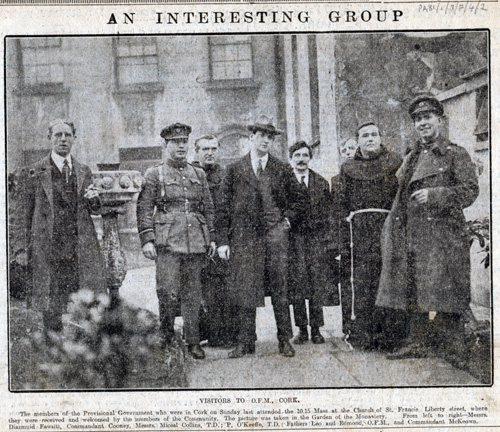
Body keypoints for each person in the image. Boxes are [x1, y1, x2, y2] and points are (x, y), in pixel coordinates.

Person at [377, 95, 479, 359]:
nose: (422, 123)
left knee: (448, 289)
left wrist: (435, 195)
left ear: (440, 120)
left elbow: (469, 191)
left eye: (427, 117)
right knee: (412, 289)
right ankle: (417, 342)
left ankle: (456, 347)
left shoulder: (455, 153)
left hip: (442, 236)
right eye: (417, 119)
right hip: (412, 234)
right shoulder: (410, 157)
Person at [217, 115, 307, 358]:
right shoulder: (235, 169)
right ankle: (246, 341)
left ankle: (284, 340)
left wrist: (286, 221)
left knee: (280, 289)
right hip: (245, 240)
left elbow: (299, 200)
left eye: (270, 137)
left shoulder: (281, 169)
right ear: (251, 137)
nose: (266, 141)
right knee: (246, 289)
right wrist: (224, 241)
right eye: (262, 136)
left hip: (275, 238)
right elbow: (223, 207)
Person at [10, 119, 106, 334]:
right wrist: (20, 251)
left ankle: (81, 353)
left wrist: (94, 199)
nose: (63, 139)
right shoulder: (33, 172)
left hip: (78, 250)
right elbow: (20, 217)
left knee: (83, 301)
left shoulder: (83, 170)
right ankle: (53, 351)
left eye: (68, 135)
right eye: (58, 135)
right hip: (48, 251)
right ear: (49, 139)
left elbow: (95, 209)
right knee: (51, 306)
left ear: (74, 138)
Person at [136, 123, 216, 360]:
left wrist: (210, 237)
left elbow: (208, 208)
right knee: (168, 291)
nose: (181, 146)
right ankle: (168, 337)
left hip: (195, 242)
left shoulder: (198, 173)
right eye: (176, 142)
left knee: (193, 293)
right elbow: (143, 209)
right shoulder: (155, 174)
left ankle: (193, 342)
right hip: (167, 242)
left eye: (184, 142)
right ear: (165, 144)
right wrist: (147, 240)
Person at [337, 121, 402, 350]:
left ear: (381, 138)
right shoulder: (348, 168)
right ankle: (363, 336)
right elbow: (341, 203)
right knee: (362, 283)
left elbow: (400, 198)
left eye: (374, 134)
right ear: (359, 141)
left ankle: (390, 337)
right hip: (360, 233)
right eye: (365, 135)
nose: (370, 138)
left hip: (388, 229)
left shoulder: (395, 163)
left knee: (388, 280)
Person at [288, 141, 337, 345]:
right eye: (297, 155)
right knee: (297, 284)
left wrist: (328, 242)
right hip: (293, 241)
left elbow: (329, 214)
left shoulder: (321, 183)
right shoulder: (285, 182)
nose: (301, 159)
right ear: (291, 158)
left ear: (310, 158)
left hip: (316, 241)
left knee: (317, 284)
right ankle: (302, 329)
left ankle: (316, 329)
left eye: (305, 155)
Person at [192, 135, 236, 347]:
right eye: (204, 149)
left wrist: (223, 239)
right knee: (197, 288)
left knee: (221, 287)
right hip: (195, 238)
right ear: (196, 151)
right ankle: (199, 334)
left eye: (213, 148)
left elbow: (230, 209)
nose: (209, 153)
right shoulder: (190, 173)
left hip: (219, 238)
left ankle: (223, 335)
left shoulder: (226, 174)